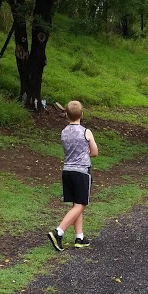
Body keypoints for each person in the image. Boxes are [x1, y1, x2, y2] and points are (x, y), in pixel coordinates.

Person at [47, 101, 99, 251]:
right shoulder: (86, 132)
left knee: (76, 205)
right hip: (81, 171)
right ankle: (59, 232)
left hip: (67, 171)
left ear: (66, 116)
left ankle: (79, 237)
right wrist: (87, 151)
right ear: (82, 114)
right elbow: (95, 152)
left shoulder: (63, 132)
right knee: (81, 204)